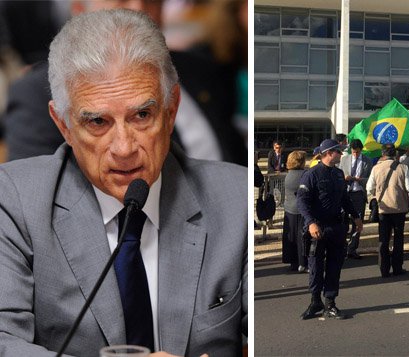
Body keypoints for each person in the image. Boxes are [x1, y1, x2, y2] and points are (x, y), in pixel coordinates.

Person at [0, 9, 247, 355]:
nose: (124, 148)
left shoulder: (236, 197)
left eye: (142, 115)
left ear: (171, 109)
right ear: (64, 125)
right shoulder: (13, 200)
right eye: (98, 122)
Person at [2, 1, 245, 165]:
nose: (139, 9)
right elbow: (37, 199)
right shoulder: (37, 93)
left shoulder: (203, 69)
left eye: (151, 0)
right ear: (78, 9)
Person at [299, 139, 363, 320]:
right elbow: (302, 202)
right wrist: (311, 222)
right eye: (338, 152)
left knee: (335, 265)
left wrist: (356, 217)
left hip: (336, 227)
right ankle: (315, 301)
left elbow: (345, 198)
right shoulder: (311, 174)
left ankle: (330, 303)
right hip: (317, 228)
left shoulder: (338, 173)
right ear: (328, 153)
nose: (341, 155)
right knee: (315, 267)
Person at [367, 143, 409, 278]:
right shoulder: (403, 167)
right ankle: (397, 267)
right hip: (399, 208)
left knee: (384, 240)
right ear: (395, 154)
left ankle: (384, 269)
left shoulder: (376, 168)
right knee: (398, 239)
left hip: (383, 208)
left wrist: (376, 196)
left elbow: (369, 187)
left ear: (383, 154)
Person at [343, 139, 371, 260]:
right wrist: (345, 178)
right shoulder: (344, 160)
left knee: (357, 222)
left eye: (357, 152)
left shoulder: (367, 161)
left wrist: (359, 179)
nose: (355, 154)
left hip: (359, 193)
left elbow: (370, 179)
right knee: (343, 221)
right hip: (345, 193)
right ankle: (342, 247)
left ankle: (352, 248)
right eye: (354, 152)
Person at [283, 150, 309, 272]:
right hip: (301, 210)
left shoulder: (289, 174)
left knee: (291, 236)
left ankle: (293, 262)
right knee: (302, 237)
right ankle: (303, 262)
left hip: (289, 208)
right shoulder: (304, 174)